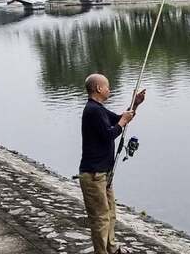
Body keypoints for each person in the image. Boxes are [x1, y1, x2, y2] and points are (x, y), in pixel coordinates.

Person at [79, 73, 146, 254]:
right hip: (93, 175)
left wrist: (135, 104)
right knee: (100, 218)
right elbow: (109, 133)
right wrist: (123, 122)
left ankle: (112, 248)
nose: (109, 89)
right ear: (99, 89)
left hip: (104, 173)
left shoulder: (99, 109)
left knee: (110, 214)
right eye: (107, 86)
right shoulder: (92, 110)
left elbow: (119, 119)